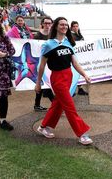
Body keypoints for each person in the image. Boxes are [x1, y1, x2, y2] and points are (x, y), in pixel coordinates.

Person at [35, 17, 93, 145]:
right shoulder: (48, 44)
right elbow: (41, 66)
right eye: (62, 24)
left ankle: (45, 127)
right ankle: (82, 134)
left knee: (58, 104)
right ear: (56, 26)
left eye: (66, 25)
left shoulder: (68, 43)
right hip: (57, 78)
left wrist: (84, 74)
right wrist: (38, 83)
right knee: (69, 106)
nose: (64, 27)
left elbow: (75, 62)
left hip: (69, 76)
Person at [33, 16, 54, 111]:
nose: (47, 25)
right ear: (42, 24)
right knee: (46, 85)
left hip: (51, 63)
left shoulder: (53, 35)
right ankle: (56, 106)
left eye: (49, 23)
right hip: (41, 63)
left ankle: (37, 105)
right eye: (45, 23)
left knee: (43, 85)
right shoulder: (37, 36)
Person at [71, 20, 88, 95]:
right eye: (74, 26)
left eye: (76, 26)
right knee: (74, 72)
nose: (75, 28)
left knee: (78, 72)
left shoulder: (79, 35)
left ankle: (79, 88)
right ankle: (73, 89)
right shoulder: (71, 35)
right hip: (74, 56)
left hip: (80, 56)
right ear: (71, 28)